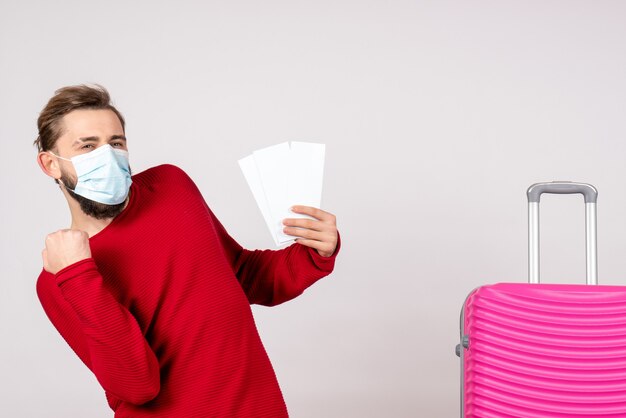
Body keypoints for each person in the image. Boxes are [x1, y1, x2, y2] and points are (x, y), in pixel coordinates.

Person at [34, 85, 340, 417]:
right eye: (88, 146)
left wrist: (314, 252)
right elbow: (138, 385)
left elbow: (243, 276)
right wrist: (78, 277)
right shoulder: (59, 277)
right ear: (50, 164)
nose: (107, 156)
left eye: (116, 143)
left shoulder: (169, 186)